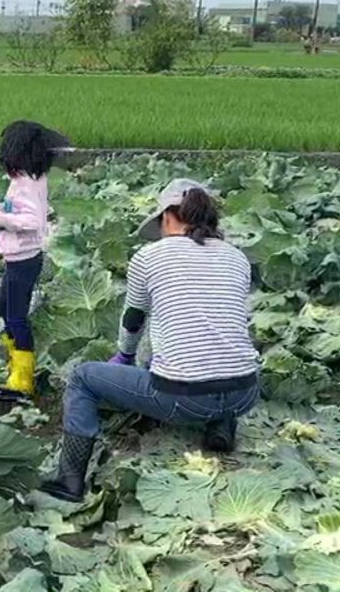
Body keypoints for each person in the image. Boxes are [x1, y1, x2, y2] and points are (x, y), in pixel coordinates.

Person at [41, 179, 261, 503]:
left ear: (168, 217)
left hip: (183, 400)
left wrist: (125, 357)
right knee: (220, 350)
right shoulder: (237, 258)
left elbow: (133, 319)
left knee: (82, 378)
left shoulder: (149, 256)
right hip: (245, 392)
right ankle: (221, 429)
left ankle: (70, 481)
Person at [0, 120, 63, 402]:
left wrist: (0, 218)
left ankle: (22, 381)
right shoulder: (32, 178)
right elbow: (26, 212)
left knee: (15, 317)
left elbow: (32, 220)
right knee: (4, 308)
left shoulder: (26, 183)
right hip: (22, 256)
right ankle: (14, 365)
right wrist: (0, 209)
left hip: (23, 259)